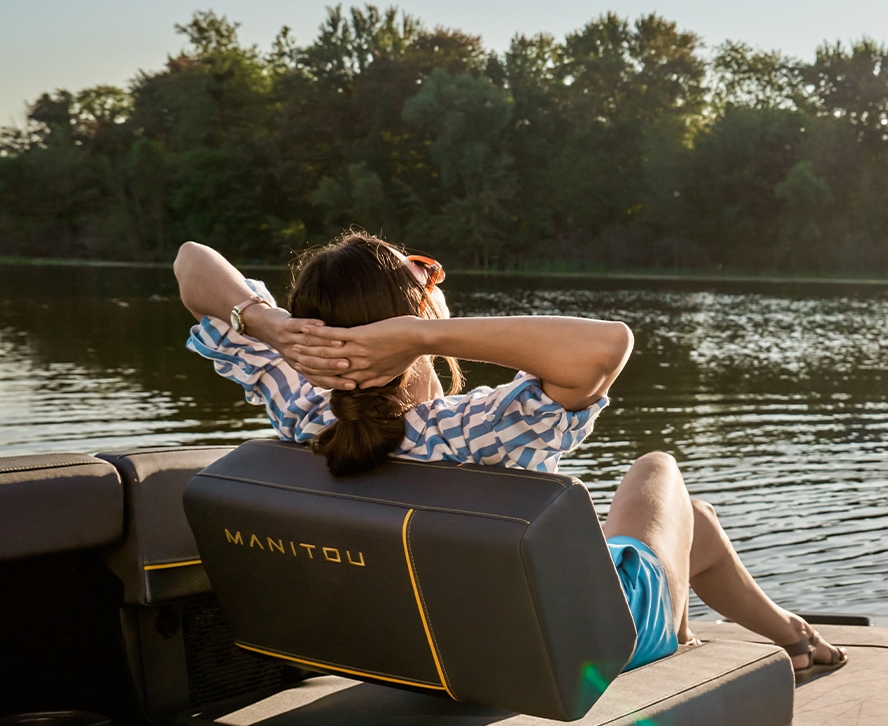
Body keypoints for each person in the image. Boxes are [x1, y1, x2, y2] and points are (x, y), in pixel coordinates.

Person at [175, 232, 847, 679]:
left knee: (688, 517)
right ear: (415, 310)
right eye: (422, 274)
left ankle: (794, 638)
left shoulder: (298, 400)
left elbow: (191, 263)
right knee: (656, 472)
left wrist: (273, 329)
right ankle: (688, 633)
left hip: (454, 642)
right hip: (584, 639)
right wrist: (417, 334)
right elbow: (606, 348)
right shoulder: (470, 431)